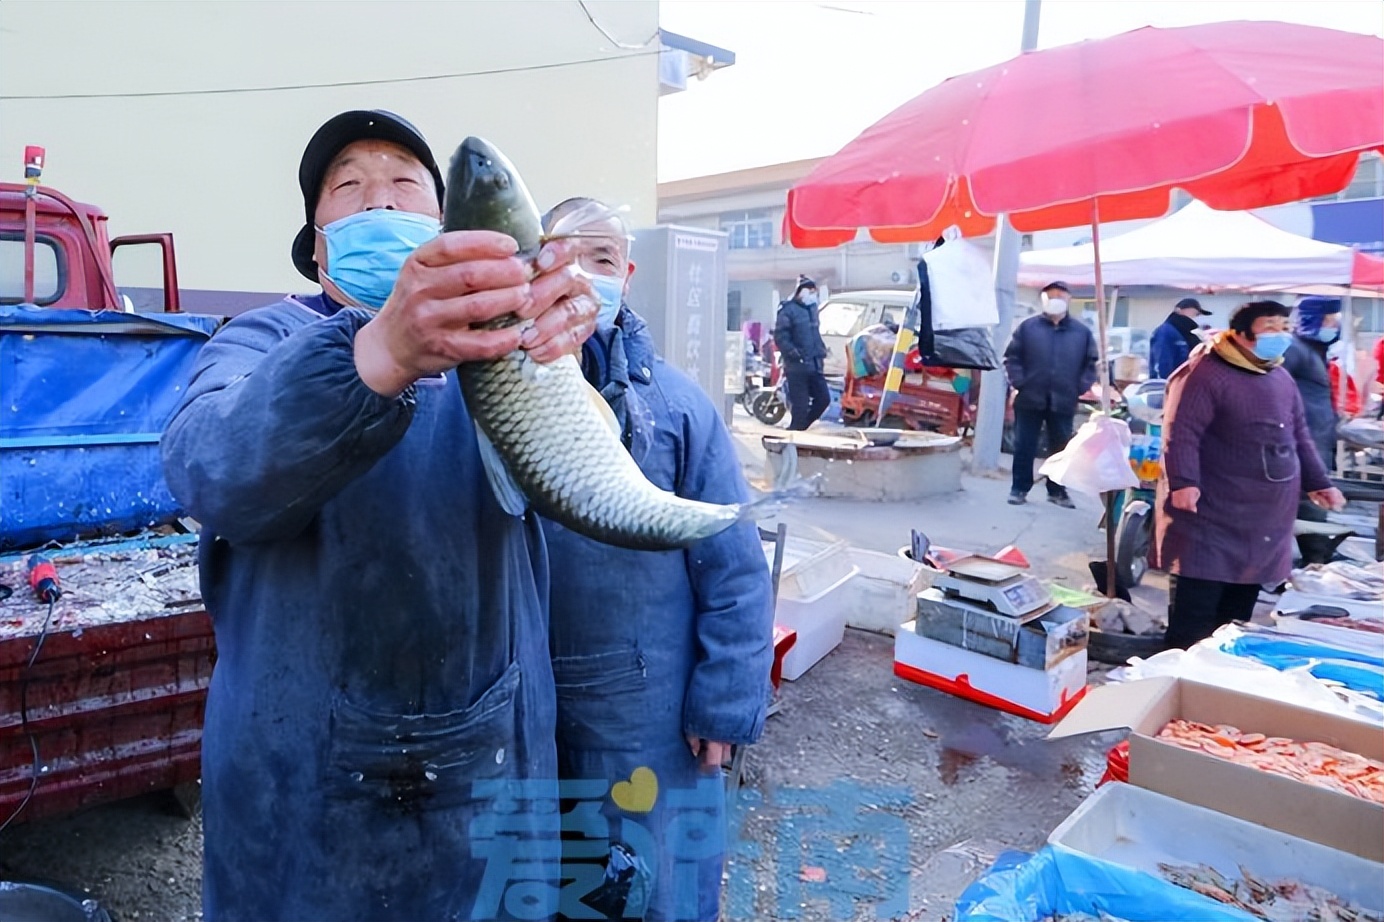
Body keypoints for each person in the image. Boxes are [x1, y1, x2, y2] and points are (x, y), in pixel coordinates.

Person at [161, 110, 598, 921]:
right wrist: (381, 353)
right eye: (350, 189)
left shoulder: (510, 348)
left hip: (493, 762)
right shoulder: (258, 340)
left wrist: (582, 337)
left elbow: (588, 487)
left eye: (405, 185)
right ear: (318, 247)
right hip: (304, 789)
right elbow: (208, 469)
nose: (383, 203)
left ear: (448, 226)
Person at [538, 198, 774, 922]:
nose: (582, 275)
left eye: (601, 259)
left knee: (653, 883)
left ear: (629, 275)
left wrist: (725, 701)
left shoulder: (675, 406)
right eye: (563, 256)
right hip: (526, 699)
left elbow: (734, 566)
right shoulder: (503, 393)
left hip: (647, 707)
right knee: (541, 874)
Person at [1153, 300, 1345, 650]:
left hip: (1264, 517)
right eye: (1269, 327)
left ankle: (1221, 684)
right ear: (1240, 334)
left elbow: (1299, 434)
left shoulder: (1280, 376)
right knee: (1195, 616)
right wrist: (1183, 483)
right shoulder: (1205, 372)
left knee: (1236, 620)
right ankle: (1175, 682)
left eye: (1284, 328)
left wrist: (1320, 482)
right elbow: (1180, 432)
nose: (1280, 335)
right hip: (1212, 512)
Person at [1003, 281, 1098, 507]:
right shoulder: (1028, 328)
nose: (1056, 299)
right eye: (1051, 295)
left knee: (1061, 448)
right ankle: (1019, 489)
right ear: (1043, 300)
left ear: (1068, 300)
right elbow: (1012, 358)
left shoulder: (1081, 333)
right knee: (1025, 446)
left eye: (1060, 295)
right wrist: (1020, 382)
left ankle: (1057, 491)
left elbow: (1091, 363)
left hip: (1064, 399)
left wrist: (1079, 388)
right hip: (1030, 397)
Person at [1282, 296, 1343, 472]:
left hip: (1317, 434)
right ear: (1312, 320)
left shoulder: (1314, 350)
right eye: (1329, 320)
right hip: (1303, 437)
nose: (1334, 326)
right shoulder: (1293, 348)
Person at [773, 275, 830, 430]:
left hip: (815, 364)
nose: (812, 294)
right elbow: (780, 336)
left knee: (824, 399)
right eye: (809, 290)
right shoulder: (788, 310)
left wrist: (821, 350)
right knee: (800, 406)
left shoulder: (812, 309)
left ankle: (801, 427)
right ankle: (797, 431)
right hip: (797, 367)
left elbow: (815, 333)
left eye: (814, 290)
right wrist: (793, 353)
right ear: (800, 291)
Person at [1149, 296, 1211, 379]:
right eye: (1194, 314)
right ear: (1178, 310)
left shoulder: (1188, 334)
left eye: (1197, 315)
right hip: (1171, 385)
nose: (1195, 318)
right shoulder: (1167, 331)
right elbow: (1162, 364)